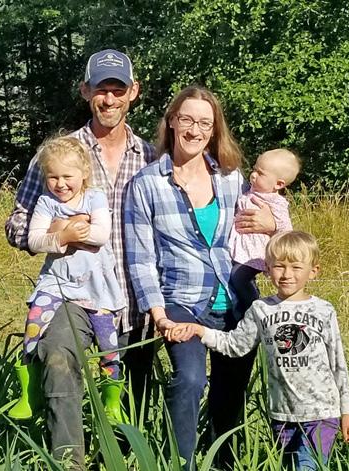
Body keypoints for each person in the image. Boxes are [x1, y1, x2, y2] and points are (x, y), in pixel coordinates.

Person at [5, 49, 157, 467]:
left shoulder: (151, 157)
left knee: (130, 393)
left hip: (135, 297)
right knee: (58, 357)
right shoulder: (58, 154)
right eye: (101, 90)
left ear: (133, 92)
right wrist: (58, 233)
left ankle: (124, 459)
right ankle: (67, 460)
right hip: (72, 292)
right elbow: (17, 223)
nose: (109, 100)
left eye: (118, 90)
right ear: (85, 91)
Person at [124, 85, 277, 470]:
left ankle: (225, 461)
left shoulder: (231, 178)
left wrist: (273, 223)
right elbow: (141, 259)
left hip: (237, 302)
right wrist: (159, 315)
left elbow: (270, 221)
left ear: (214, 130)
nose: (195, 130)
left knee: (230, 394)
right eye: (187, 120)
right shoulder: (146, 184)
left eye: (205, 123)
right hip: (181, 302)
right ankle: (182, 463)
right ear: (172, 122)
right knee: (190, 379)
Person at [168, 231, 349, 470]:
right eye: (279, 266)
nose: (287, 274)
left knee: (307, 466)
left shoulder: (323, 310)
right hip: (282, 414)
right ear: (267, 269)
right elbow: (235, 345)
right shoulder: (261, 309)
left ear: (313, 271)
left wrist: (347, 410)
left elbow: (338, 362)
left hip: (321, 412)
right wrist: (200, 331)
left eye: (296, 267)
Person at [8, 135, 126, 423]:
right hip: (56, 281)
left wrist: (63, 230)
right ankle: (30, 391)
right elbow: (34, 240)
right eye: (53, 177)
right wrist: (66, 233)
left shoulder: (95, 198)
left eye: (67, 176)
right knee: (34, 325)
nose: (60, 184)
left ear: (83, 173)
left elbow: (101, 235)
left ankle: (111, 401)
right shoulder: (46, 202)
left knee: (108, 343)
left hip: (96, 285)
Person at [229, 148, 300, 313]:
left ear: (278, 184)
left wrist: (273, 226)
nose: (253, 175)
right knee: (236, 277)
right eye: (254, 169)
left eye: (260, 173)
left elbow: (285, 229)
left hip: (255, 252)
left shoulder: (276, 202)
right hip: (241, 248)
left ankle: (254, 307)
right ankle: (242, 309)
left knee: (239, 277)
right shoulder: (249, 191)